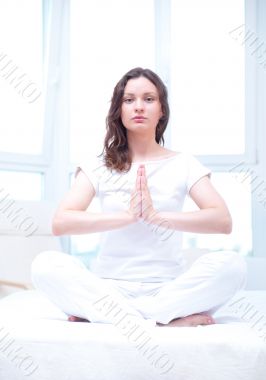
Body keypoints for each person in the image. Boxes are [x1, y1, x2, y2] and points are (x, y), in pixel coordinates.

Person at [31, 67, 247, 328]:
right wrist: (127, 217)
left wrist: (155, 217)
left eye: (149, 99)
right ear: (119, 110)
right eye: (129, 99)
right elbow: (61, 222)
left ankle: (119, 318)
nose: (139, 107)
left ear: (162, 110)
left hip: (167, 290)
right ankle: (160, 321)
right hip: (109, 288)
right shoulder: (99, 166)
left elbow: (222, 221)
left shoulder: (184, 163)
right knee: (45, 265)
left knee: (233, 266)